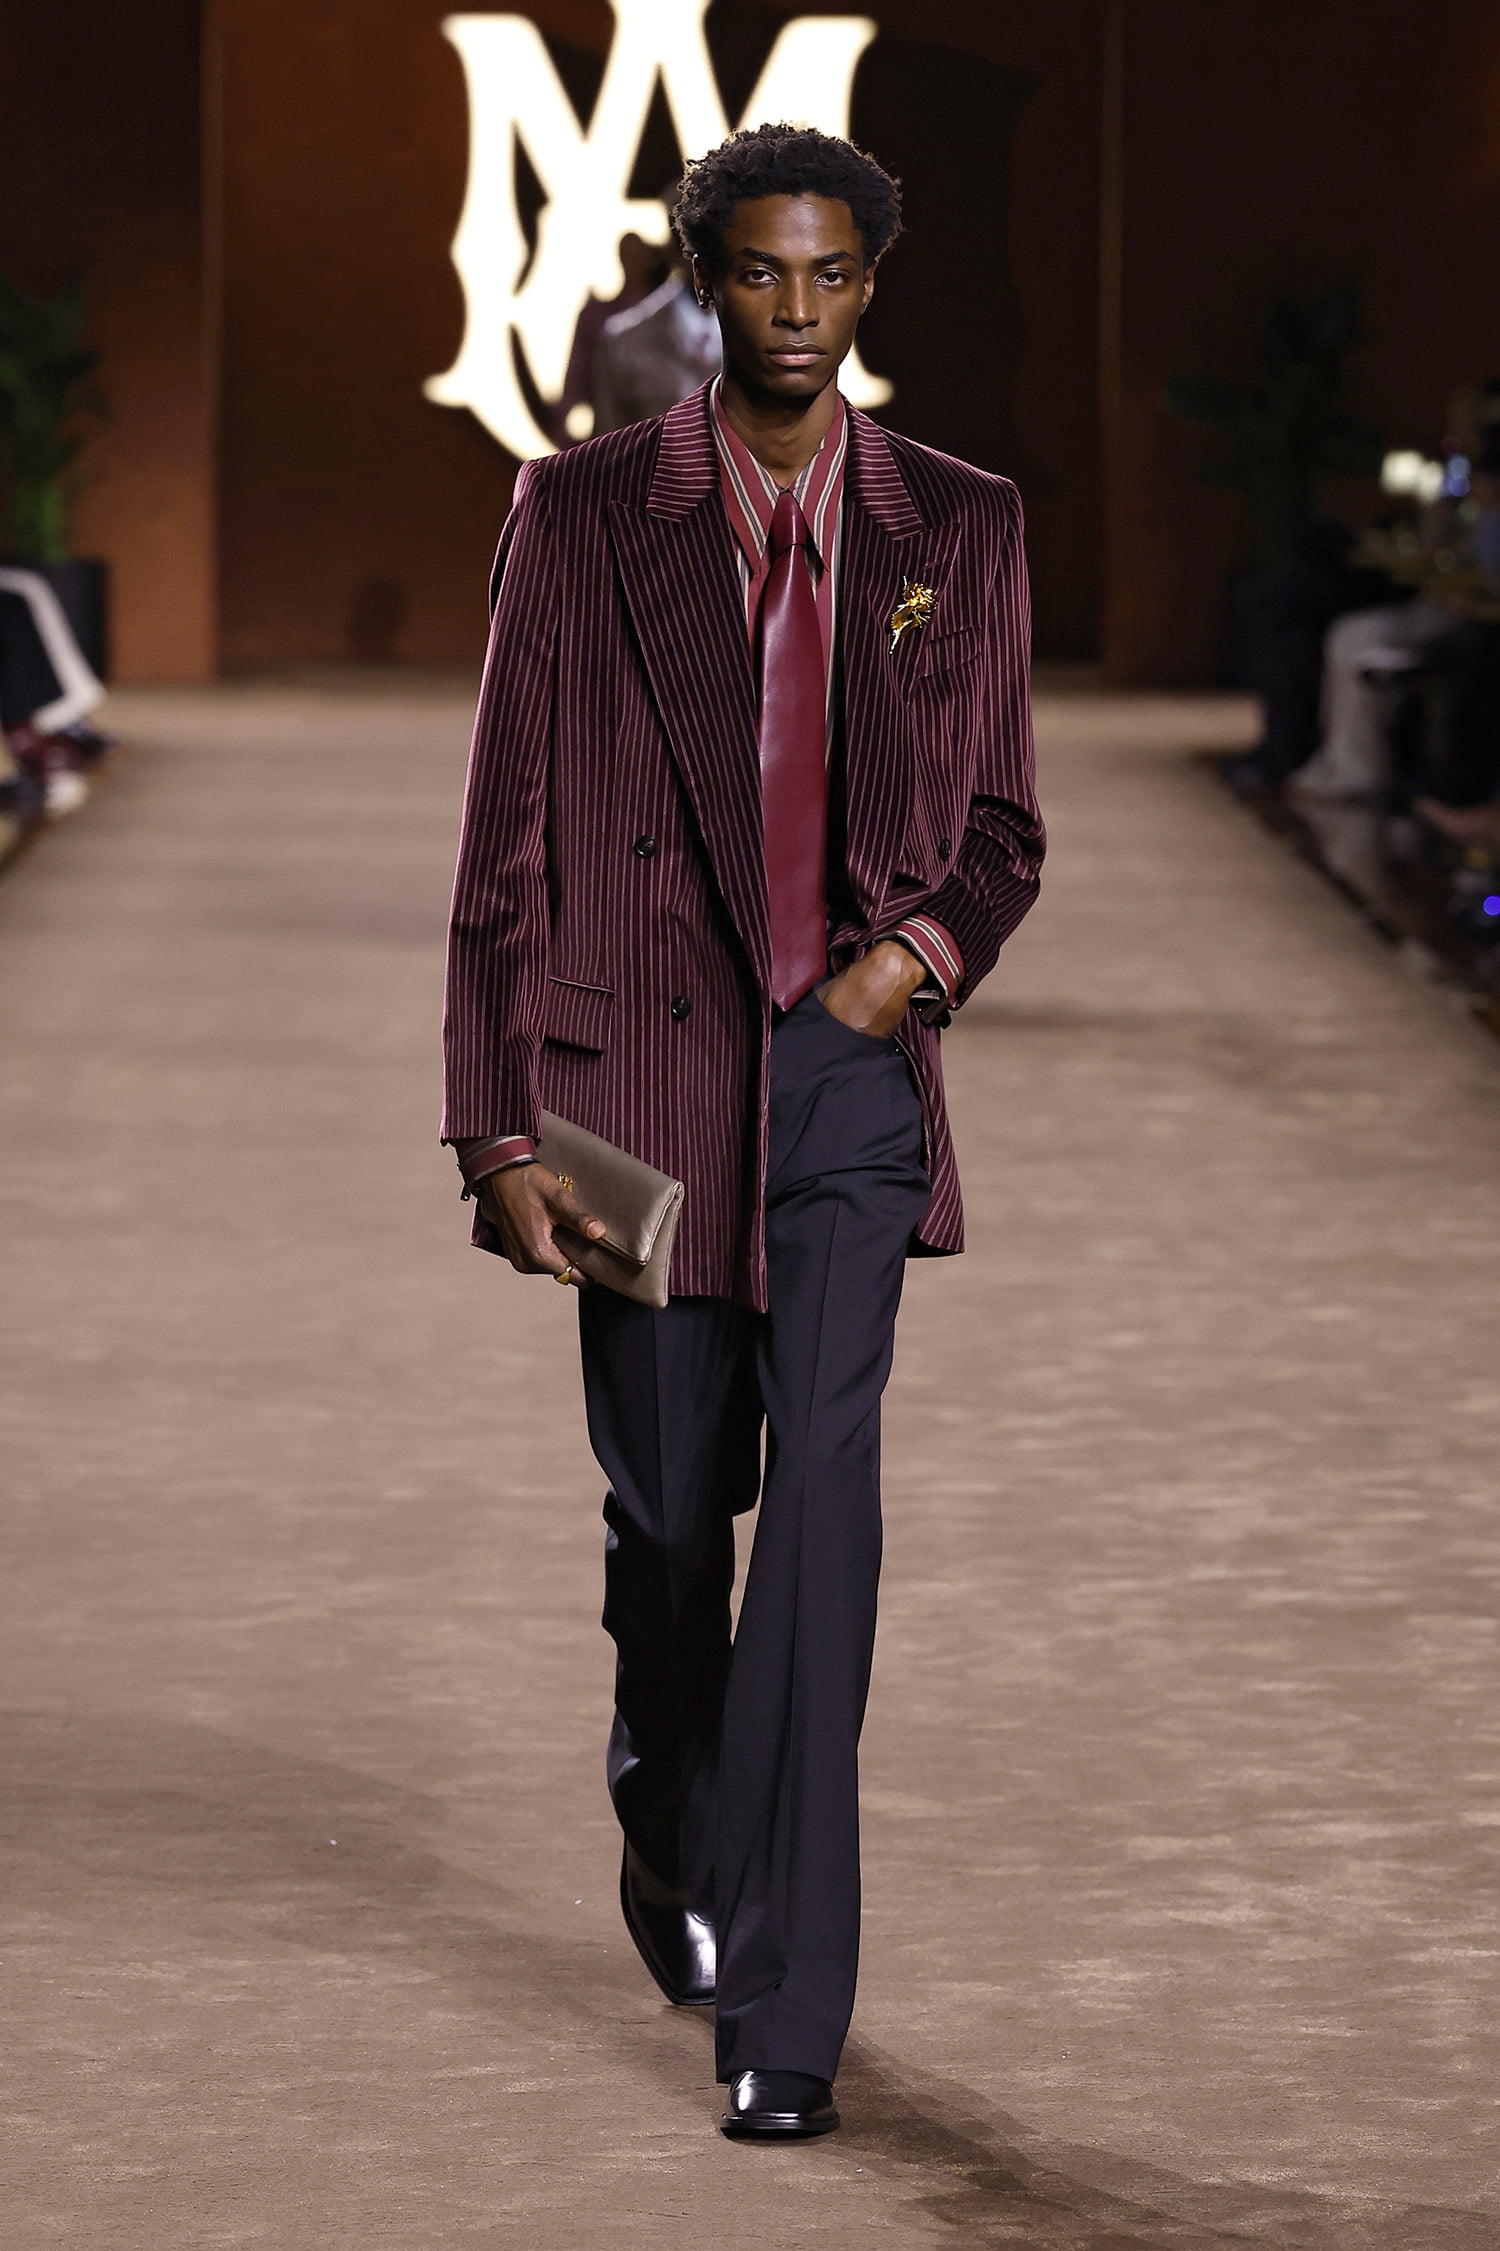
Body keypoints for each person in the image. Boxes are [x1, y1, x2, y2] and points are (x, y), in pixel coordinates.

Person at [441, 123, 1043, 2140]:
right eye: (762, 278)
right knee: (676, 1519)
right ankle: (666, 1812)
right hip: (633, 1096)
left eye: (834, 277)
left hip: (849, 1078)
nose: (798, 312)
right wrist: (490, 1125)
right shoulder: (583, 510)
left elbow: (1006, 832)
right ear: (706, 284)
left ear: (875, 285)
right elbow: (503, 830)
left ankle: (784, 2010)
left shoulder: (961, 523)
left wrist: (912, 962)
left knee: (827, 1534)